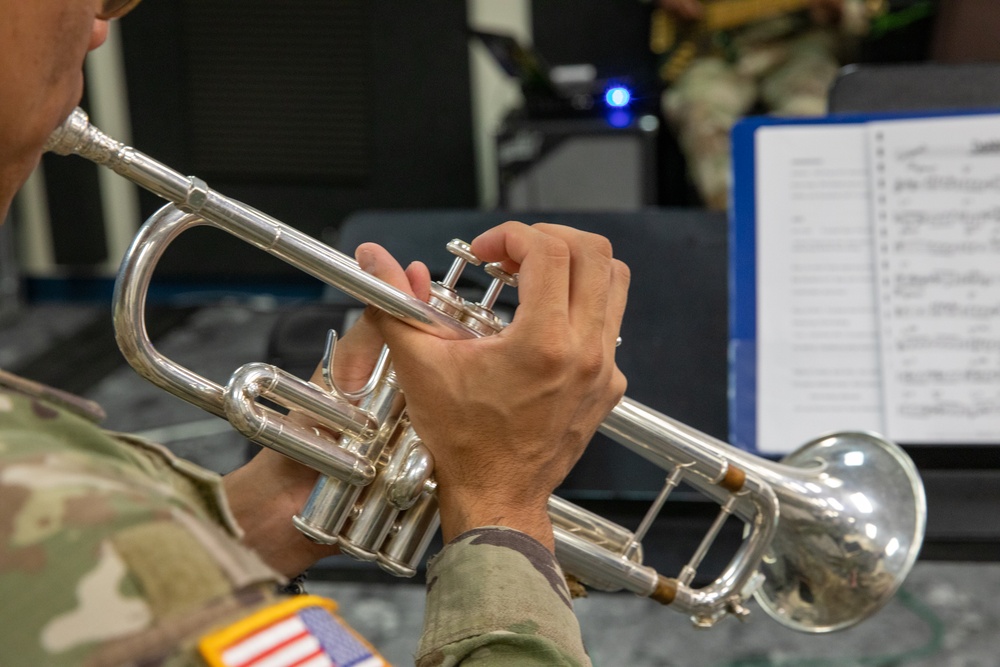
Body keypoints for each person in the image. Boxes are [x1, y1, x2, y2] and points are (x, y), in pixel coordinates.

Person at [0, 1, 630, 665]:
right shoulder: (48, 491)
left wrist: (277, 506)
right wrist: (503, 505)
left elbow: (106, 596)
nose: (112, 9)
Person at [655, 0, 871, 210]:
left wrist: (840, 11)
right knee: (699, 110)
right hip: (716, 48)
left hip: (801, 47)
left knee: (810, 118)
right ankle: (737, 222)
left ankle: (797, 220)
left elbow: (864, 15)